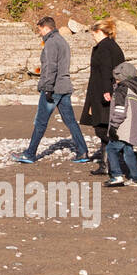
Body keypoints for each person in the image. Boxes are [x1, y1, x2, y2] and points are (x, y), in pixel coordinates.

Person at [15, 16, 90, 164]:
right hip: (64, 87)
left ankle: (30, 154)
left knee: (40, 122)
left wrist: (48, 88)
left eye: (40, 29)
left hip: (54, 88)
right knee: (70, 121)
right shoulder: (63, 41)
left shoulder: (50, 42)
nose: (39, 32)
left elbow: (50, 67)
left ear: (46, 28)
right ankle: (83, 151)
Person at [80, 18, 125, 176]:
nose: (93, 35)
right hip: (105, 89)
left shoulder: (105, 47)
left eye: (94, 32)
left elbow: (107, 69)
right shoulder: (111, 45)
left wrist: (106, 90)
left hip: (102, 91)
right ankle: (106, 164)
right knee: (103, 126)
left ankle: (115, 159)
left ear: (100, 31)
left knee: (102, 128)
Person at [106, 61, 137, 187]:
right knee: (128, 151)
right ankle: (135, 179)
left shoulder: (121, 90)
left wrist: (113, 126)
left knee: (111, 149)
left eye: (116, 78)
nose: (115, 80)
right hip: (134, 126)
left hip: (124, 126)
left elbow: (120, 111)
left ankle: (116, 175)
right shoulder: (133, 90)